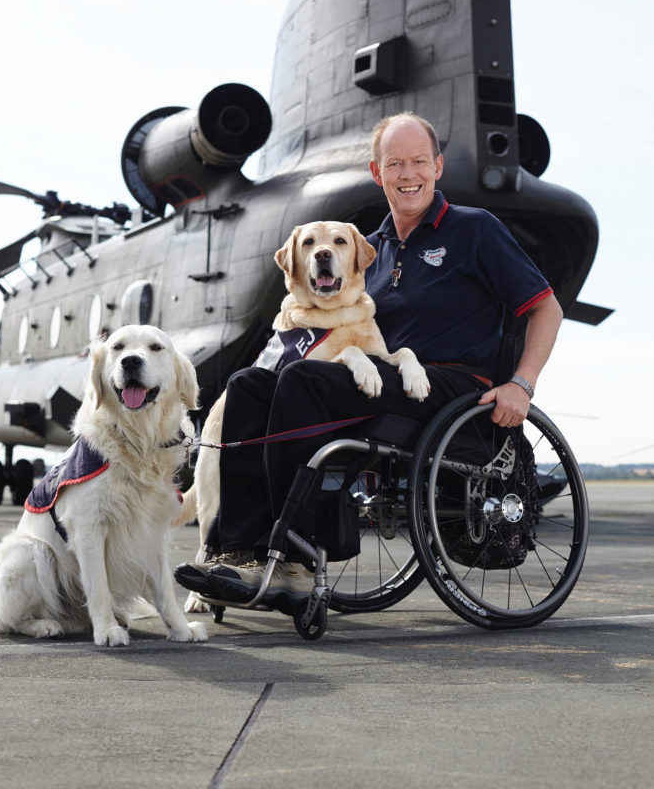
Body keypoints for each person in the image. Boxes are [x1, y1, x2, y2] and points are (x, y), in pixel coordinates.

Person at [187, 112, 563, 599]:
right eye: (395, 164)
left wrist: (523, 383)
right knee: (247, 386)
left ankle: (294, 560)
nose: (408, 175)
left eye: (419, 162)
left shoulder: (475, 229)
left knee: (302, 381)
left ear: (438, 167)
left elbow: (546, 309)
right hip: (382, 382)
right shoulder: (371, 249)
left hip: (453, 389)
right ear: (376, 172)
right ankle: (234, 550)